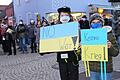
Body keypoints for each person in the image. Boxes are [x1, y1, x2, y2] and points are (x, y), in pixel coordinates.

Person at [88, 13, 119, 80]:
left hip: (106, 69)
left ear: (102, 23)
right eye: (93, 22)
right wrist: (81, 47)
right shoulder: (87, 36)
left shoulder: (109, 34)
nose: (96, 24)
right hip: (93, 69)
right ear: (90, 24)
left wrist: (110, 46)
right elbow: (83, 54)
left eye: (98, 22)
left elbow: (116, 53)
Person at [57, 6, 80, 80]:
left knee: (74, 77)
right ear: (59, 17)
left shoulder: (75, 27)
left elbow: (79, 40)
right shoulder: (55, 29)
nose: (64, 17)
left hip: (73, 57)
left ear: (70, 16)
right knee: (64, 77)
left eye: (66, 15)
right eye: (62, 15)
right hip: (61, 59)